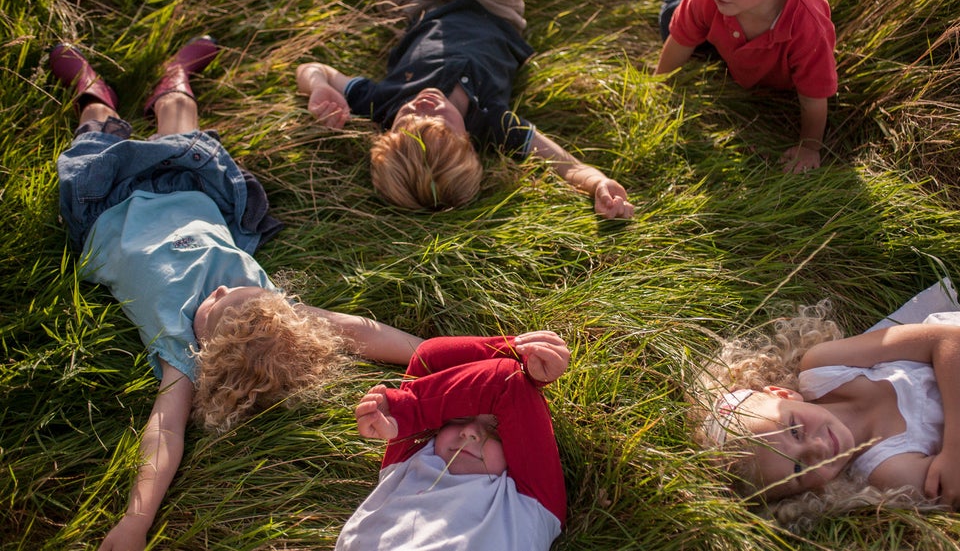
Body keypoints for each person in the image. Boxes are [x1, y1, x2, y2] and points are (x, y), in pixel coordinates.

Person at [50, 38, 424, 551]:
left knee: (94, 128)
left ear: (203, 350)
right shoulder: (270, 309)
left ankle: (92, 92)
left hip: (105, 202)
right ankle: (173, 79)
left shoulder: (180, 354)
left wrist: (137, 520)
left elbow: (165, 436)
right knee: (180, 115)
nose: (224, 286)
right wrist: (438, 354)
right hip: (188, 185)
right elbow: (360, 331)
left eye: (216, 303)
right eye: (239, 292)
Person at [297, 0, 634, 218]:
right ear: (469, 143)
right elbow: (564, 163)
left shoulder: (381, 103)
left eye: (405, 120)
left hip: (421, 4)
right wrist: (598, 183)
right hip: (494, 6)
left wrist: (320, 86)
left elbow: (310, 69)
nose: (421, 106)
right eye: (438, 122)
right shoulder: (491, 122)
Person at [693, 225, 960, 528]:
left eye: (794, 430)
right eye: (799, 470)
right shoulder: (892, 473)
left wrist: (958, 452)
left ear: (782, 393)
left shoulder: (826, 368)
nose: (818, 448)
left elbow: (952, 340)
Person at [652, 0, 837, 174]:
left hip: (730, 35)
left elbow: (814, 95)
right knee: (671, 15)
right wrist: (657, 89)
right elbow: (679, 40)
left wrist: (809, 145)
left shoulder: (807, 25)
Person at [335, 330, 570, 550]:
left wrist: (408, 410)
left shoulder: (531, 501)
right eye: (457, 418)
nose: (469, 431)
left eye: (495, 429)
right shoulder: (412, 460)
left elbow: (506, 382)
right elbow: (428, 357)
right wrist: (521, 353)